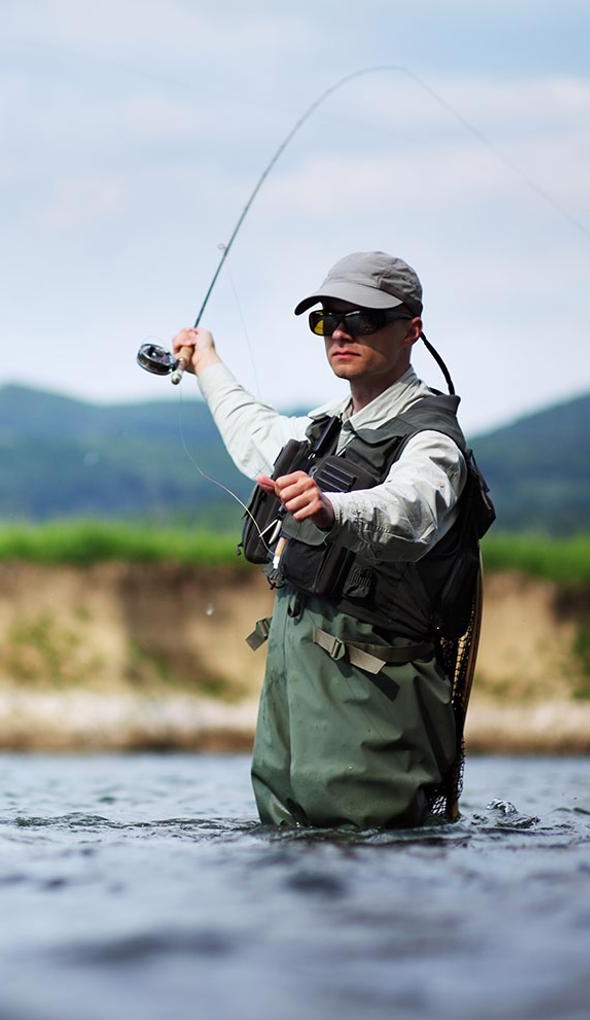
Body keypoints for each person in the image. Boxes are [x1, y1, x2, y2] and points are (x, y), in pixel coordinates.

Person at [171, 250, 488, 829]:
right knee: (285, 849)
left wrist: (332, 508)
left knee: (369, 855)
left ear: (411, 330)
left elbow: (410, 511)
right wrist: (209, 364)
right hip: (294, 697)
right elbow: (257, 434)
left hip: (372, 702)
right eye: (327, 319)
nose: (340, 331)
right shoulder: (326, 427)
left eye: (362, 318)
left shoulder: (433, 441)